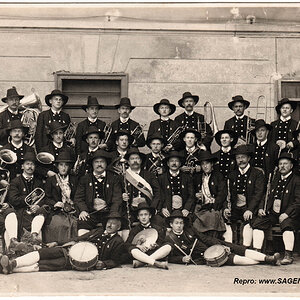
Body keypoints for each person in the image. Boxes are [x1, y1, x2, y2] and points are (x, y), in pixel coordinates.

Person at [0, 211, 126, 274]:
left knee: (44, 265)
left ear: (119, 227)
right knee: (42, 253)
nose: (109, 225)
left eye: (113, 223)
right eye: (109, 222)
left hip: (79, 262)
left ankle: (11, 267)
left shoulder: (118, 241)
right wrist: (56, 242)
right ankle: (14, 263)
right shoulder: (98, 231)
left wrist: (104, 263)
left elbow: (116, 260)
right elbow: (76, 239)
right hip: (69, 250)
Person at [165, 210, 280, 267]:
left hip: (214, 245)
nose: (179, 225)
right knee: (235, 259)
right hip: (206, 257)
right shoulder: (170, 239)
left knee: (240, 249)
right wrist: (181, 259)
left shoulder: (191, 230)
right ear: (171, 224)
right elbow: (169, 258)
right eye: (176, 223)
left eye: (181, 222)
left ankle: (268, 258)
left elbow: (205, 239)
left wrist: (221, 245)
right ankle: (263, 262)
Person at [252, 153, 300, 265]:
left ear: (291, 166)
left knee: (287, 225)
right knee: (258, 223)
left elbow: (298, 201)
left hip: (291, 214)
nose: (282, 166)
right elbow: (266, 195)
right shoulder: (274, 179)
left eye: (285, 164)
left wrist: (287, 213)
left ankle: (288, 255)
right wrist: (261, 208)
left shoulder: (297, 180)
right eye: (280, 164)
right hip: (273, 213)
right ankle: (257, 253)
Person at [74, 149, 122, 236]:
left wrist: (113, 214)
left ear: (106, 164)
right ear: (92, 164)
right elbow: (78, 198)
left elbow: (117, 199)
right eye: (96, 162)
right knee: (82, 222)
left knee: (115, 224)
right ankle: (84, 246)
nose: (99, 164)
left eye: (102, 162)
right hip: (91, 213)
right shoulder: (85, 179)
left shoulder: (114, 179)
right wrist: (83, 210)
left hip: (108, 213)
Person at [224, 145, 265, 246]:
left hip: (250, 207)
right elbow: (226, 193)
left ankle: (245, 249)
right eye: (238, 158)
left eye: (243, 157)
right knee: (225, 221)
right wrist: (225, 208)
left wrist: (250, 209)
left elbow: (258, 193)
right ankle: (230, 248)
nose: (240, 160)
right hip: (234, 208)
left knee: (249, 222)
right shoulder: (232, 174)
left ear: (249, 158)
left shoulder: (257, 173)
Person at [7, 151, 49, 245]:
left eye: (32, 164)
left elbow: (44, 198)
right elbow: (13, 200)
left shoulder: (39, 182)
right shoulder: (15, 181)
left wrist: (38, 206)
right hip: (20, 213)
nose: (30, 167)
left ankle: (34, 238)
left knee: (42, 213)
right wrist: (30, 199)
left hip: (35, 213)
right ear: (22, 166)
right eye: (27, 164)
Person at [43, 151, 78, 244]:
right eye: (61, 165)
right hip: (57, 211)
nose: (63, 167)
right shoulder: (51, 180)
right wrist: (55, 203)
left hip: (72, 211)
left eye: (66, 165)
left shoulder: (74, 179)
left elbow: (78, 196)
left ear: (69, 167)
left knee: (75, 224)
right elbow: (46, 198)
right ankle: (57, 247)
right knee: (59, 224)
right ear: (57, 166)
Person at [124, 202, 171, 269]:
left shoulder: (157, 228)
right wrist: (138, 246)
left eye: (146, 214)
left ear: (150, 216)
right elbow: (126, 245)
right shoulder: (135, 230)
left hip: (153, 252)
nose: (143, 217)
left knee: (168, 246)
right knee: (133, 250)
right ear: (138, 217)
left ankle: (143, 262)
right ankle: (156, 263)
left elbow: (161, 242)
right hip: (140, 253)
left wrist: (155, 245)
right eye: (141, 215)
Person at [121, 148, 161, 226]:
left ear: (141, 161)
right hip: (131, 210)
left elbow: (157, 192)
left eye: (137, 158)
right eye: (132, 159)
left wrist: (152, 208)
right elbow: (117, 193)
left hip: (147, 209)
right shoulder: (123, 176)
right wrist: (122, 196)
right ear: (128, 162)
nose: (135, 161)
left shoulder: (149, 175)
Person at [192, 151, 227, 239]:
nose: (205, 166)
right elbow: (191, 193)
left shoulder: (218, 176)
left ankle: (212, 242)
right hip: (201, 206)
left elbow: (222, 194)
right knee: (195, 218)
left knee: (213, 216)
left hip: (214, 206)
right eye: (203, 164)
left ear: (211, 164)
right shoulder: (197, 177)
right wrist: (196, 196)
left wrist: (214, 206)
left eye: (207, 163)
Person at [158, 151, 195, 221]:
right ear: (168, 164)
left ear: (180, 163)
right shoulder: (161, 178)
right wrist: (162, 208)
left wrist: (187, 208)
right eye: (171, 161)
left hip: (183, 210)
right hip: (167, 210)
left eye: (176, 161)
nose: (174, 163)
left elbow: (191, 195)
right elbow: (159, 195)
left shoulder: (187, 177)